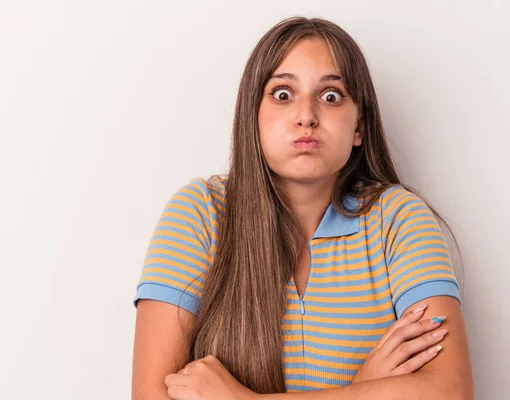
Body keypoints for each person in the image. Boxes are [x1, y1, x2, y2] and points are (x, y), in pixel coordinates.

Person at [132, 16, 474, 400]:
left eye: (331, 96)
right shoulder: (200, 214)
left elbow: (450, 392)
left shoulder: (400, 219)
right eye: (282, 94)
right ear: (253, 117)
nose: (306, 116)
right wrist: (363, 389)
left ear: (359, 127)